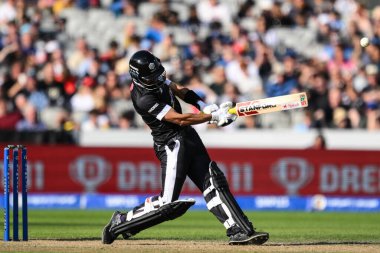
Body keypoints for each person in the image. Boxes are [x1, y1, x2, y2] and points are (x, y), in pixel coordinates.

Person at [101, 50, 269, 245]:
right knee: (167, 204)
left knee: (213, 181)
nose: (158, 79)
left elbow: (178, 89)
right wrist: (212, 117)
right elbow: (179, 119)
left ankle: (240, 230)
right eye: (152, 77)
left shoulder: (154, 78)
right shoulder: (143, 98)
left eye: (158, 74)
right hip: (171, 144)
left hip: (188, 136)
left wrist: (203, 104)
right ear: (138, 77)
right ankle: (119, 223)